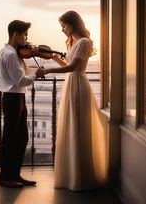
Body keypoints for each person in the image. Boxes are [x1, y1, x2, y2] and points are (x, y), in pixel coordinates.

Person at [39, 11, 108, 191]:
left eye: (64, 26)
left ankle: (79, 176)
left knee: (77, 126)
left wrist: (48, 71)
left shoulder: (84, 42)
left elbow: (73, 67)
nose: (62, 30)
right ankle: (73, 175)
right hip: (73, 83)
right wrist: (53, 57)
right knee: (73, 126)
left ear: (73, 24)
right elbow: (69, 67)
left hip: (78, 84)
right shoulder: (77, 43)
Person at [0, 20, 42, 188]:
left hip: (16, 97)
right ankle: (6, 177)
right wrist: (36, 75)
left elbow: (22, 74)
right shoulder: (10, 54)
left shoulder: (12, 53)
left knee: (21, 137)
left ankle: (14, 174)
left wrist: (34, 65)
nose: (26, 39)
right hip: (13, 98)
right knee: (11, 138)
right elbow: (21, 80)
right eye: (25, 35)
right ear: (16, 34)